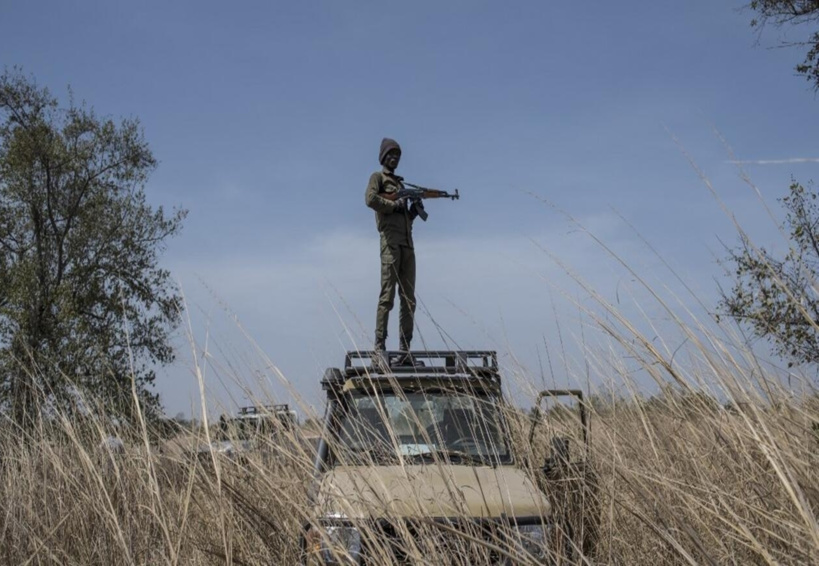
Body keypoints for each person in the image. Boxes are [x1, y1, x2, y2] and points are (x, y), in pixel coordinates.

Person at [364, 138, 424, 363]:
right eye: (391, 154)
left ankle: (405, 350)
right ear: (383, 157)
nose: (395, 158)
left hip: (407, 246)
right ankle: (379, 348)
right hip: (390, 244)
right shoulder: (377, 178)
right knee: (387, 296)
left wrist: (413, 213)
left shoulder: (400, 185)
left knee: (409, 300)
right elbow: (370, 199)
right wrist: (394, 204)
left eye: (397, 155)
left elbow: (403, 219)